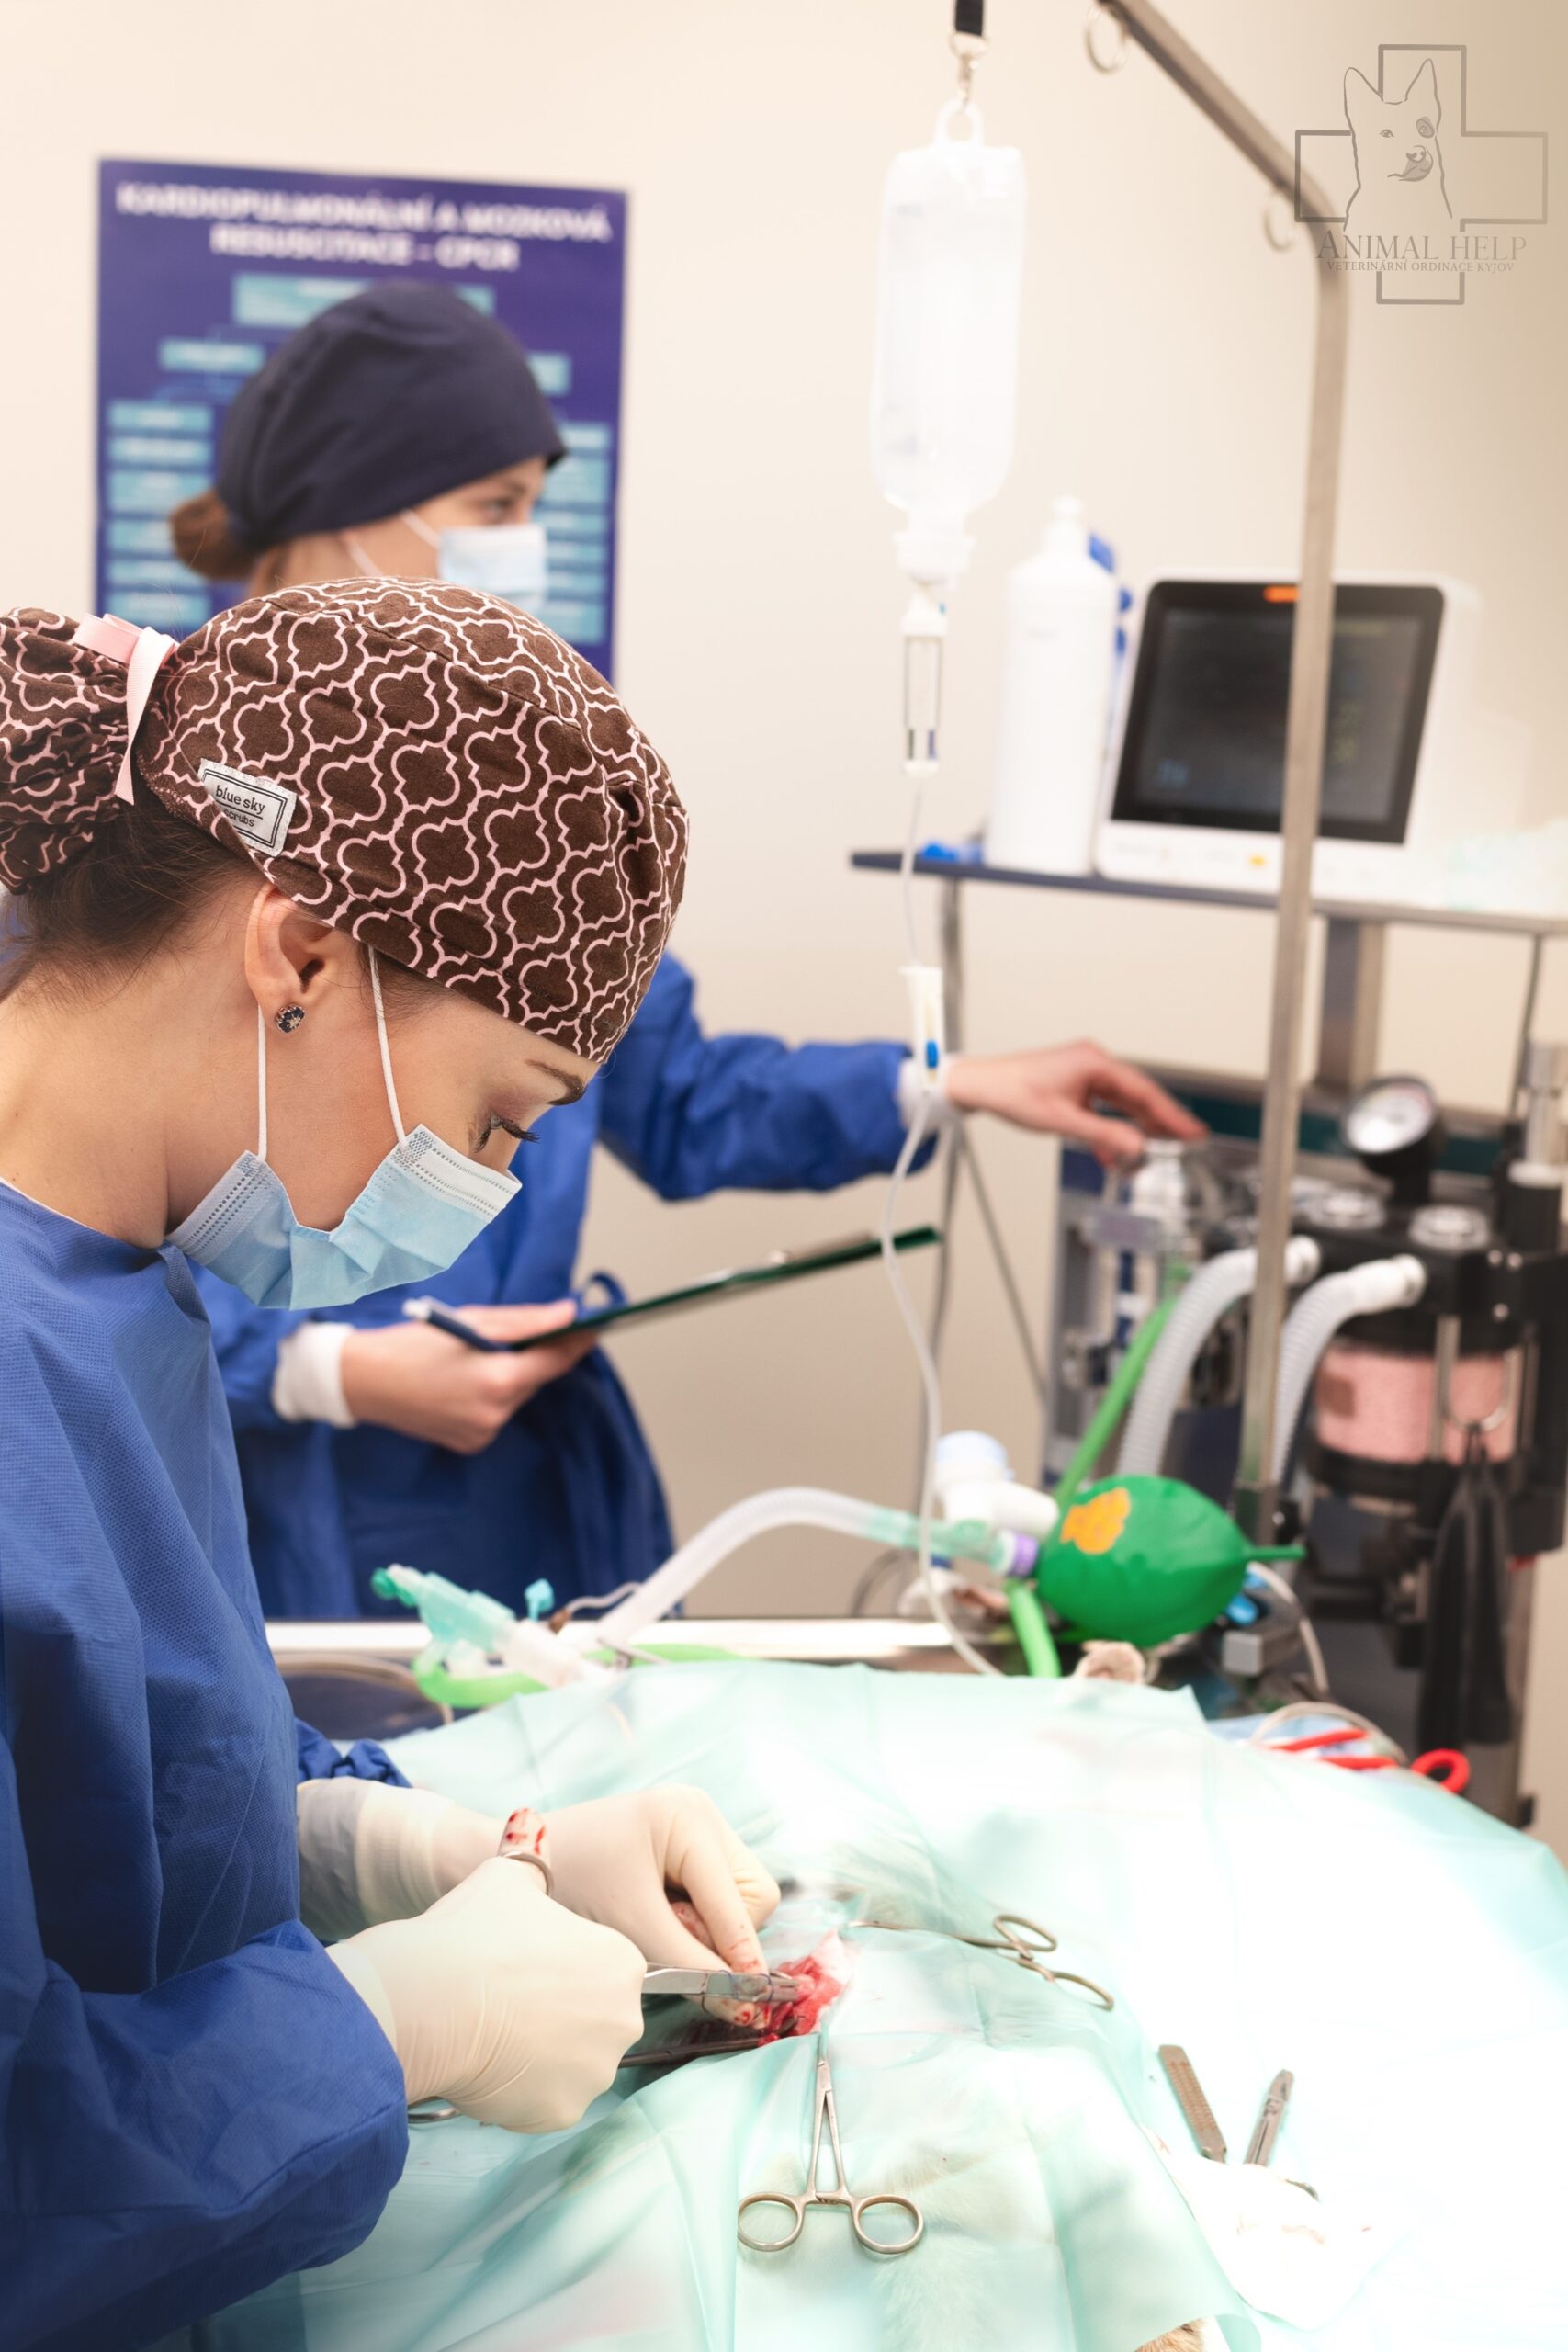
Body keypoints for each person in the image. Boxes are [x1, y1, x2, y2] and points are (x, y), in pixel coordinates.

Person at [169, 281, 1201, 1620]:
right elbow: (72, 1183)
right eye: (494, 505)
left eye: (534, 506)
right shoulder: (169, 795)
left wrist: (944, 1084)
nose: (524, 546)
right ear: (348, 505)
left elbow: (673, 1093)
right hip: (252, 1494)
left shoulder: (517, 779)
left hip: (506, 1497)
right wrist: (323, 1374)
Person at [0, 582, 780, 2348]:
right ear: (297, 957)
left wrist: (399, 1844)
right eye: (504, 1113)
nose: (487, 1187)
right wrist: (391, 2028)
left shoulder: (119, 1282)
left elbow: (107, 1785)